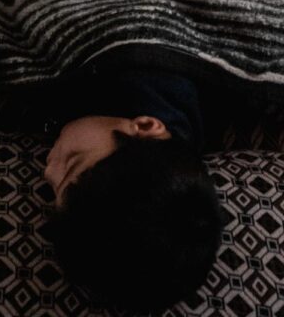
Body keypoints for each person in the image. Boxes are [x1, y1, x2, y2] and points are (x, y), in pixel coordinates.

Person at [40, 64, 224, 311]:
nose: (48, 170)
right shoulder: (143, 75)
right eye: (74, 161)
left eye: (53, 191)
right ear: (146, 126)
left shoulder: (154, 155)